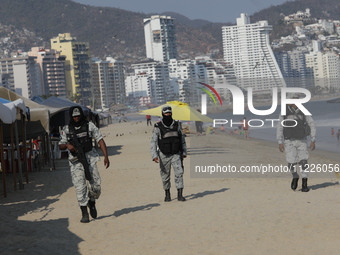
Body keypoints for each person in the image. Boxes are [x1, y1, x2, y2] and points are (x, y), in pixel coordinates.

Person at [59, 106, 110, 223]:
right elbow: (60, 145)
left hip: (90, 158)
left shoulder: (89, 126)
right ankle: (84, 213)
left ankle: (92, 201)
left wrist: (106, 156)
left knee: (96, 186)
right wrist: (67, 146)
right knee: (80, 187)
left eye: (78, 116)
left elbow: (100, 139)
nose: (76, 118)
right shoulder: (67, 129)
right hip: (75, 161)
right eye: (74, 116)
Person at [276, 95, 316, 192]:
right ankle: (295, 176)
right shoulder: (284, 112)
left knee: (303, 161)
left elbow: (312, 124)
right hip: (289, 140)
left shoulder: (304, 111)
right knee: (291, 162)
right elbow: (279, 127)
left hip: (302, 140)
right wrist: (280, 142)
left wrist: (313, 139)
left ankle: (304, 183)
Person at [150, 105, 187, 202]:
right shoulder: (158, 126)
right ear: (163, 114)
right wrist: (154, 155)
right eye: (166, 113)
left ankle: (180, 194)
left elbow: (182, 139)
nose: (168, 115)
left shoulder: (177, 125)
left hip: (176, 154)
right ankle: (167, 194)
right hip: (163, 155)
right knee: (165, 176)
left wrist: (184, 151)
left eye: (169, 113)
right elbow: (153, 141)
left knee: (179, 173)